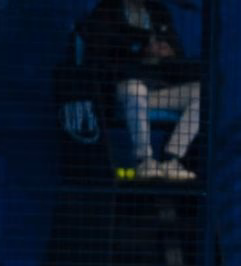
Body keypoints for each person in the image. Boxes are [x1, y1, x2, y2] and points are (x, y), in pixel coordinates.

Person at [84, 0, 200, 181]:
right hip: (123, 89)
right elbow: (101, 50)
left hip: (158, 88)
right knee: (136, 89)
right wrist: (141, 50)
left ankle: (171, 160)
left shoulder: (159, 11)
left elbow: (177, 51)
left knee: (200, 92)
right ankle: (144, 161)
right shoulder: (106, 10)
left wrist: (168, 53)